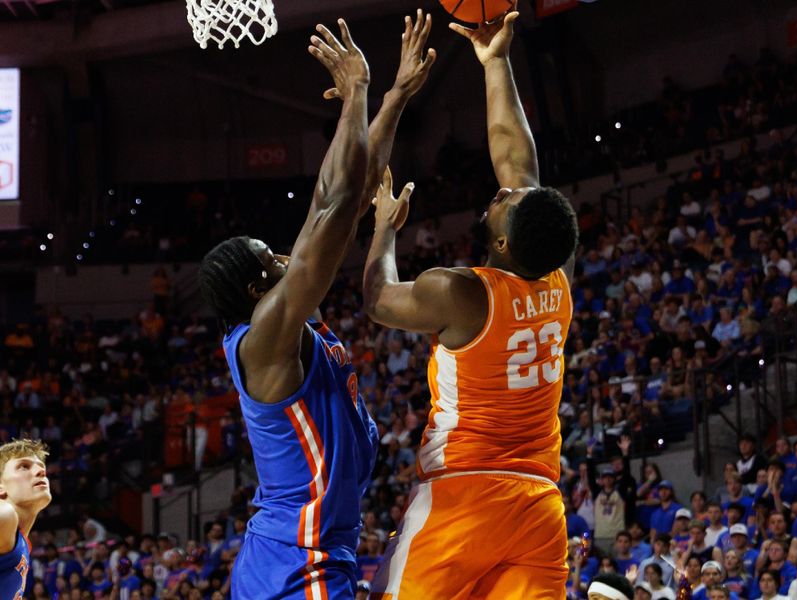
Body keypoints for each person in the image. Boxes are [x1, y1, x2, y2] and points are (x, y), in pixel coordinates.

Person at [198, 13, 436, 599]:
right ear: (258, 290)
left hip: (310, 550)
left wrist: (395, 98)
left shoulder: (286, 313)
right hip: (297, 560)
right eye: (271, 257)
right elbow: (334, 207)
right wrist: (355, 91)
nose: (285, 253)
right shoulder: (266, 335)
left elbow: (344, 198)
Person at [364, 7, 579, 599]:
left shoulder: (462, 293)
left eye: (505, 202)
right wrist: (497, 60)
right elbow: (520, 167)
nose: (503, 190)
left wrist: (384, 229)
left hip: (463, 495)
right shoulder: (555, 276)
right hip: (538, 506)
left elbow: (378, 299)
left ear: (503, 240)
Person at [0, 439, 52, 600]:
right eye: (24, 466)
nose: (41, 471)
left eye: (41, 467)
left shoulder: (20, 542)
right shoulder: (5, 514)